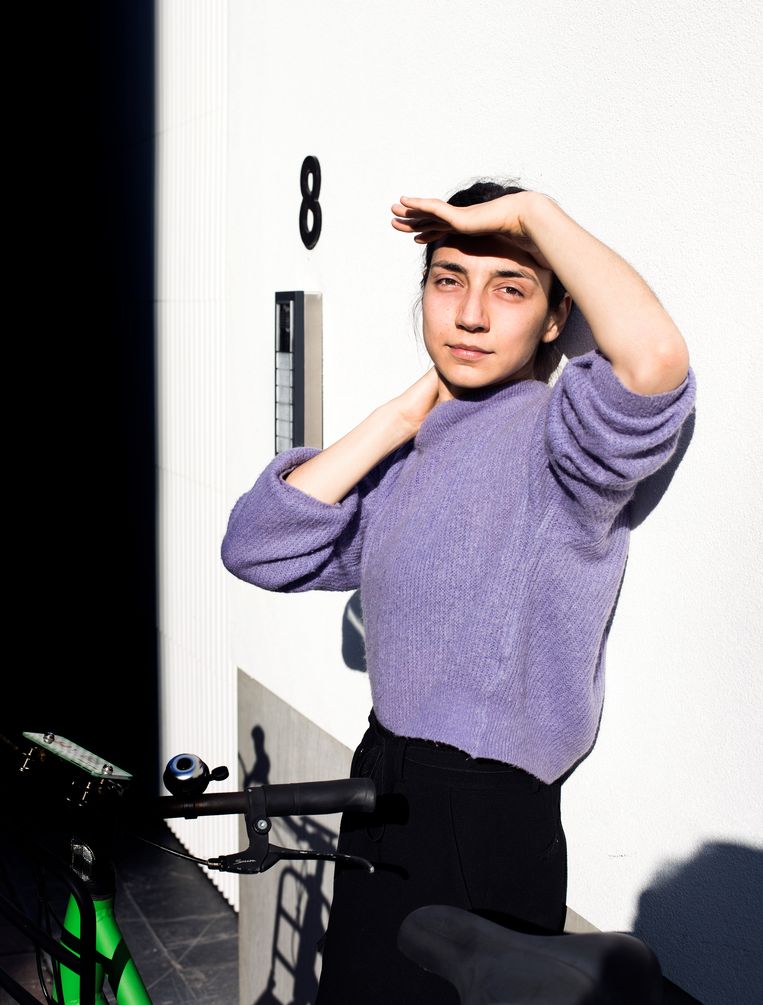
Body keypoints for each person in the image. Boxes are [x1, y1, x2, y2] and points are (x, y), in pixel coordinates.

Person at [221, 180, 696, 1003]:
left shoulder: (559, 439)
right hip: (380, 784)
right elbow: (256, 546)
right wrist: (396, 419)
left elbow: (653, 363)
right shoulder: (413, 453)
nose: (470, 315)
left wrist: (532, 213)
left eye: (510, 288)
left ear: (555, 318)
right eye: (448, 280)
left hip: (481, 817)